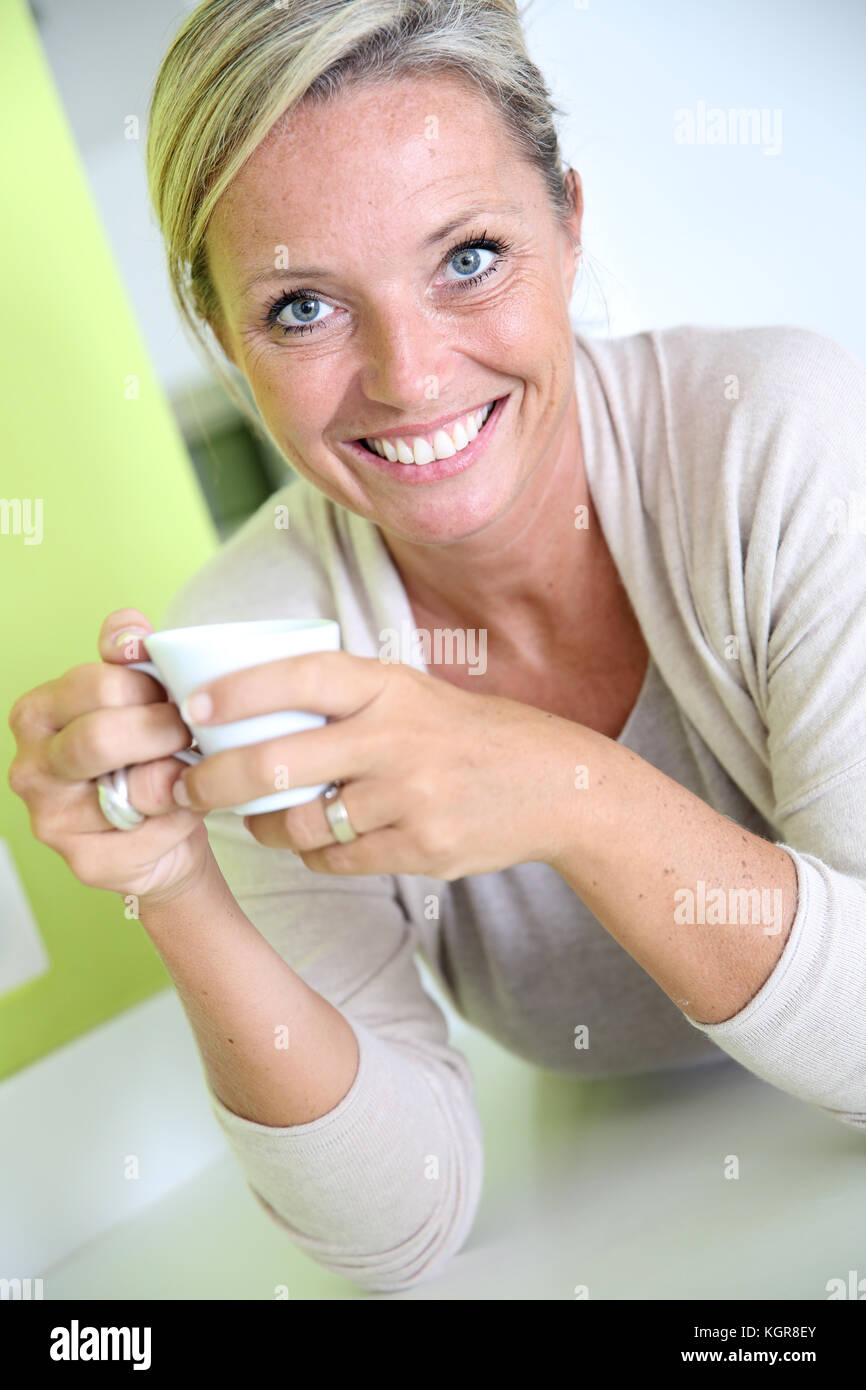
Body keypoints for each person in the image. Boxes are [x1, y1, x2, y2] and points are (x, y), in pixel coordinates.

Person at [7, 0, 866, 1294]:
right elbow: (399, 1231)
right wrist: (176, 881)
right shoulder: (253, 644)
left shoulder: (780, 435)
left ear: (568, 224)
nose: (408, 377)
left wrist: (565, 788)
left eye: (467, 257)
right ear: (227, 343)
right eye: (302, 306)